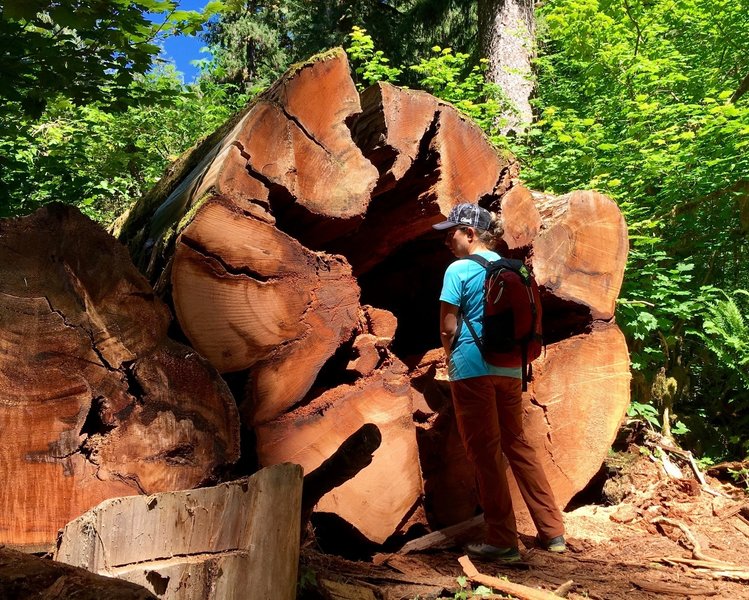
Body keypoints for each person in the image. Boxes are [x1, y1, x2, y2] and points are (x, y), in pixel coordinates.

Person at [433, 202, 566, 562]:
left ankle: (503, 540)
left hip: (473, 371)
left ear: (470, 233)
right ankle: (552, 531)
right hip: (510, 370)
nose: (448, 240)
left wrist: (449, 355)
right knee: (518, 445)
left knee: (485, 454)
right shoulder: (515, 269)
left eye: (453, 232)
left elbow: (448, 326)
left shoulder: (458, 269)